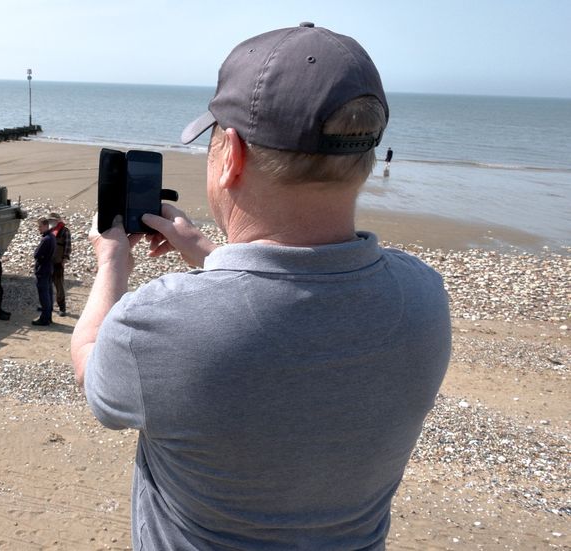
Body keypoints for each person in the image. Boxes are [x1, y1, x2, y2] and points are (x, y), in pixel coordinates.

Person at [71, 23, 451, 550]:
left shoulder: (162, 324)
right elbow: (296, 308)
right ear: (364, 161)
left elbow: (93, 369)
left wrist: (111, 261)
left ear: (231, 155)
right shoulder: (423, 299)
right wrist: (204, 250)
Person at [32, 216, 56, 326]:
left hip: (43, 269)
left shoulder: (46, 239)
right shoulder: (52, 237)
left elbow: (36, 254)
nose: (39, 229)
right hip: (49, 267)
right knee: (48, 293)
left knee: (44, 294)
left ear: (46, 226)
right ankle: (48, 317)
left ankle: (44, 318)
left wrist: (39, 257)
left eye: (40, 226)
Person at [48, 212, 72, 315]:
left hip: (58, 262)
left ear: (58, 221)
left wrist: (64, 259)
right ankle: (47, 306)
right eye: (49, 220)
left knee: (59, 287)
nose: (50, 222)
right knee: (47, 285)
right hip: (48, 263)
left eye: (52, 220)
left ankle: (62, 308)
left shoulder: (65, 231)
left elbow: (68, 246)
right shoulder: (49, 230)